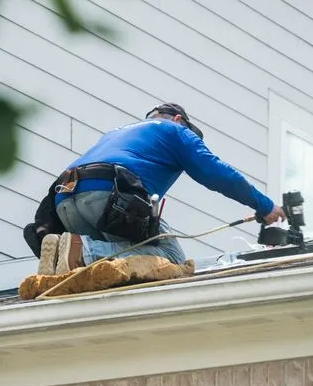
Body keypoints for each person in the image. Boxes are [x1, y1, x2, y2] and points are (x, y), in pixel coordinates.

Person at [26, 102, 286, 275]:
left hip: (64, 202)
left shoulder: (117, 133)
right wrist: (264, 205)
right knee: (172, 257)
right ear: (177, 118)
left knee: (118, 261)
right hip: (107, 197)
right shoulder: (175, 130)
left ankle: (68, 252)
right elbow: (216, 173)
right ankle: (85, 251)